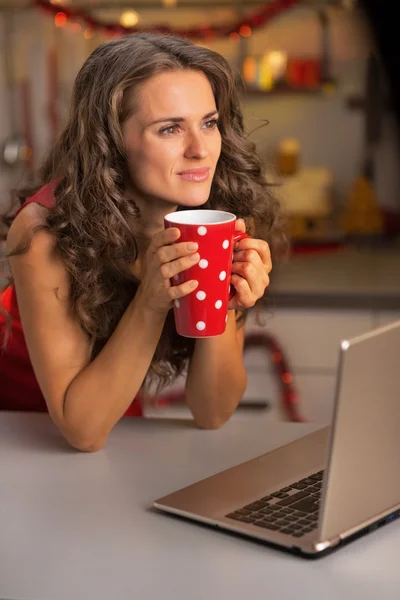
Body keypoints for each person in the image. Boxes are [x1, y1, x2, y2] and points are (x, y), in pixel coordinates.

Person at [0, 33, 284, 452]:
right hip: (23, 428)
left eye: (209, 123)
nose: (201, 150)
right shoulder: (46, 231)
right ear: (112, 143)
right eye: (169, 129)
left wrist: (222, 302)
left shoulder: (222, 213)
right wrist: (152, 299)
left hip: (114, 405)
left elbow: (213, 412)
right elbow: (82, 430)